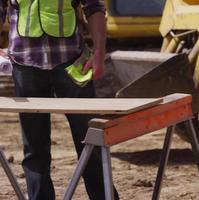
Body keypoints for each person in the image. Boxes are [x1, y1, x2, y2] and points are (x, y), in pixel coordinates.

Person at [0, 0, 119, 199]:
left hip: (72, 64)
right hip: (25, 65)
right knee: (35, 151)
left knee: (91, 143)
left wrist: (99, 52)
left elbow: (94, 7)